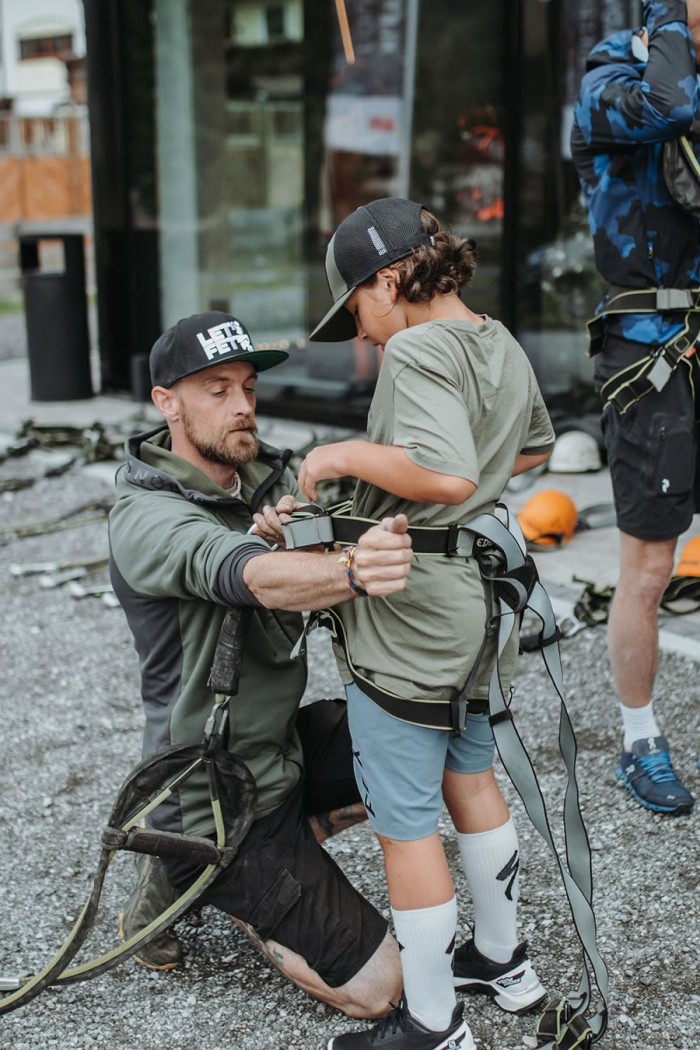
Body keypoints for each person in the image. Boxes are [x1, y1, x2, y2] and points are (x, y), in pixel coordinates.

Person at [292, 198, 555, 1050]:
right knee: (471, 778)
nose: (364, 335)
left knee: (405, 826)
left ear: (391, 278)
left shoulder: (414, 349)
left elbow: (439, 471)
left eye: (359, 309)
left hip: (415, 617)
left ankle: (436, 1026)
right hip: (481, 612)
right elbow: (533, 451)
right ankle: (503, 961)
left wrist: (335, 458)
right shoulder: (498, 338)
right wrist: (473, 487)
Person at [108, 310, 415, 1019]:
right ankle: (221, 877)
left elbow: (352, 500)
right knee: (378, 991)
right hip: (212, 789)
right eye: (216, 389)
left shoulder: (261, 471)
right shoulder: (146, 517)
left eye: (247, 385)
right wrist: (352, 570)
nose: (242, 404)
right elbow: (248, 575)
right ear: (166, 402)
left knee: (430, 738)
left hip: (279, 748)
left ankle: (217, 867)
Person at [571, 0, 697, 815]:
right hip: (653, 351)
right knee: (650, 566)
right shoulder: (609, 82)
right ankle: (638, 739)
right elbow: (670, 106)